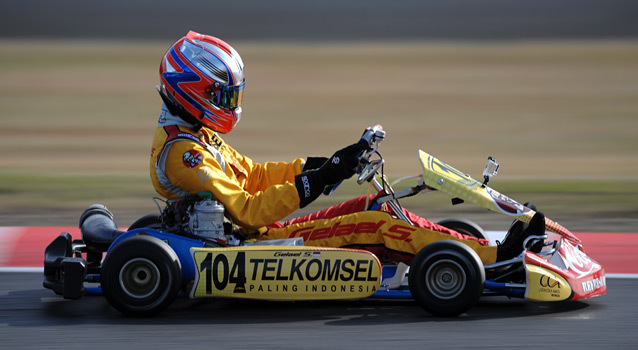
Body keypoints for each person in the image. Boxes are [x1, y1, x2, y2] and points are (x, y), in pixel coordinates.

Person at [149, 31, 544, 266]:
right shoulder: (185, 154)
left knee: (374, 206)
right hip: (249, 246)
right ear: (192, 92)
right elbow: (249, 210)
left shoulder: (196, 136)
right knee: (376, 226)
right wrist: (321, 179)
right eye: (223, 95)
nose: (231, 104)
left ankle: (476, 250)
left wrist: (323, 164)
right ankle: (494, 260)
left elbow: (253, 176)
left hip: (258, 234)